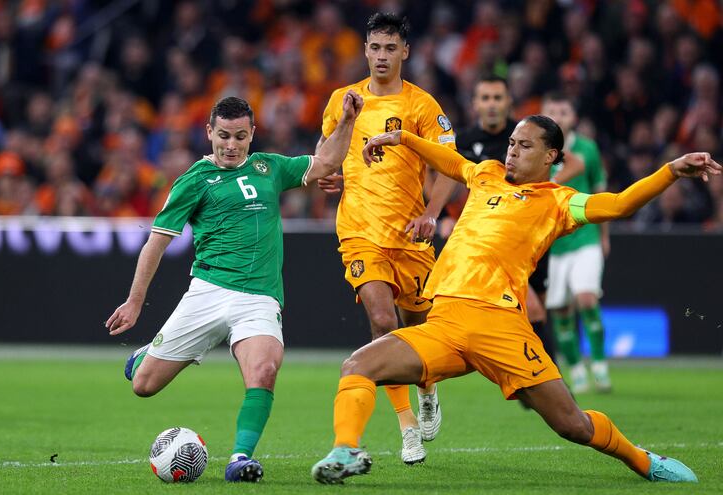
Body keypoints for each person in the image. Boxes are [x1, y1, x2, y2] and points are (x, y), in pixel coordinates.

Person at [311, 115, 718, 484]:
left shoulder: (559, 201)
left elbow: (619, 205)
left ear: (550, 156)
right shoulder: (486, 174)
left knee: (571, 425)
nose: (512, 152)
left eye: (524, 146)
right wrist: (402, 137)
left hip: (501, 327)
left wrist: (670, 171)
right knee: (358, 365)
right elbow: (450, 162)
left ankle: (643, 460)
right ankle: (346, 449)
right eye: (511, 143)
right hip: (446, 324)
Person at [106, 91, 364, 482]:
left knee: (263, 370)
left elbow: (328, 160)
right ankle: (145, 357)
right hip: (208, 292)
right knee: (143, 386)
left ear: (252, 134)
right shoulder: (194, 180)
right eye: (223, 136)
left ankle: (239, 458)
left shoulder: (269, 167)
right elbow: (156, 243)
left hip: (259, 299)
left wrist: (346, 120)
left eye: (240, 137)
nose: (231, 145)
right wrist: (134, 302)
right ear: (209, 131)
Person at [316, 12, 457, 464]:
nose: (381, 56)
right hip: (359, 231)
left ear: (405, 52)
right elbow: (326, 155)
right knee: (382, 322)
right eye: (374, 47)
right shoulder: (343, 99)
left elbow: (449, 166)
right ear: (365, 51)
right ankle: (406, 427)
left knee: (416, 330)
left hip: (409, 235)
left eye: (390, 48)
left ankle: (427, 389)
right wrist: (328, 176)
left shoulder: (422, 106)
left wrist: (432, 215)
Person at [452, 75, 583, 368]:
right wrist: (442, 215)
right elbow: (447, 177)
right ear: (474, 104)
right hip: (498, 239)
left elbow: (574, 162)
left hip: (532, 236)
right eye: (485, 98)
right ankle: (550, 384)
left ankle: (535, 381)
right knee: (531, 311)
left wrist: (539, 191)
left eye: (498, 98)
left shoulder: (524, 133)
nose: (492, 105)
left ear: (509, 101)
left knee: (536, 313)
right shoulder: (465, 141)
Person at [541, 92, 611, 393]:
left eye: (564, 110)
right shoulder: (538, 150)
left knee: (585, 298)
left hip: (585, 236)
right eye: (553, 109)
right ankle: (576, 368)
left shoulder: (587, 149)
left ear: (574, 118)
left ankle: (599, 364)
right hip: (553, 243)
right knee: (559, 309)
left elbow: (599, 193)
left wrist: (604, 237)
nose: (559, 115)